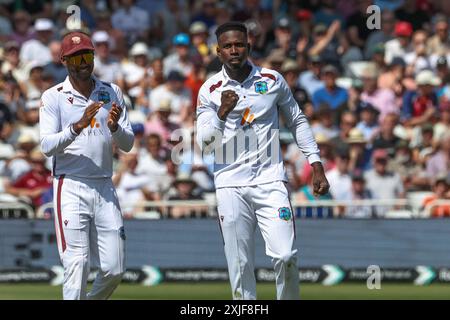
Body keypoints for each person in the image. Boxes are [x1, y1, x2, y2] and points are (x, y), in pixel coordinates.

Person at [196, 22, 330, 300]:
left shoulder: (272, 79)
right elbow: (205, 145)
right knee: (240, 265)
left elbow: (297, 120)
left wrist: (316, 163)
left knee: (286, 256)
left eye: (239, 44)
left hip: (271, 180)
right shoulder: (210, 89)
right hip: (230, 185)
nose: (234, 50)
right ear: (218, 51)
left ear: (249, 46)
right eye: (228, 46)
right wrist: (222, 113)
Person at [39, 31, 134, 300]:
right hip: (70, 184)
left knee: (115, 269)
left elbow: (127, 144)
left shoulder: (111, 91)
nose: (83, 62)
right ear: (64, 61)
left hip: (104, 184)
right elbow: (46, 146)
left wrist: (115, 129)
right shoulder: (53, 96)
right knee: (77, 263)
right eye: (76, 57)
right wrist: (77, 127)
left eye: (87, 55)